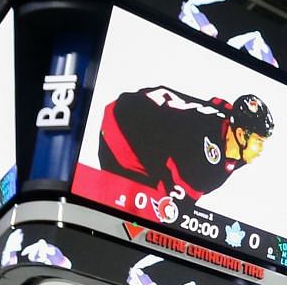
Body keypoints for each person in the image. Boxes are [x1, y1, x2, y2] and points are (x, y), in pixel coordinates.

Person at [95, 87, 275, 209]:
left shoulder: (230, 127)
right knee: (138, 210)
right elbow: (167, 206)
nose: (260, 149)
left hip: (144, 115)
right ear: (241, 134)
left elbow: (219, 103)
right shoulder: (206, 163)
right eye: (258, 141)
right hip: (122, 124)